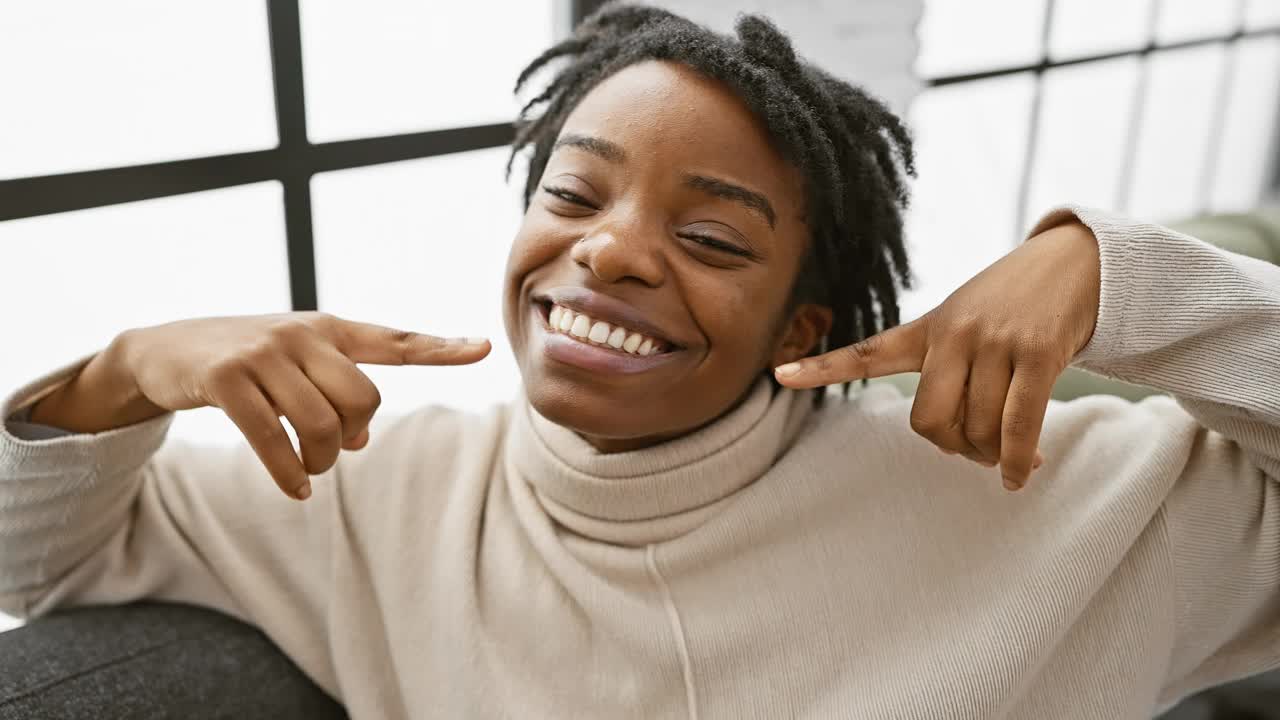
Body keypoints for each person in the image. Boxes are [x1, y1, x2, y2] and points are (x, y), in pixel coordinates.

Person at [1, 5, 1277, 719]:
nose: (608, 255)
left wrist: (1116, 276)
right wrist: (125, 370)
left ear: (800, 328)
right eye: (573, 194)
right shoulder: (371, 491)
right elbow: (36, 559)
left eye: (710, 235)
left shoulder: (1031, 492)